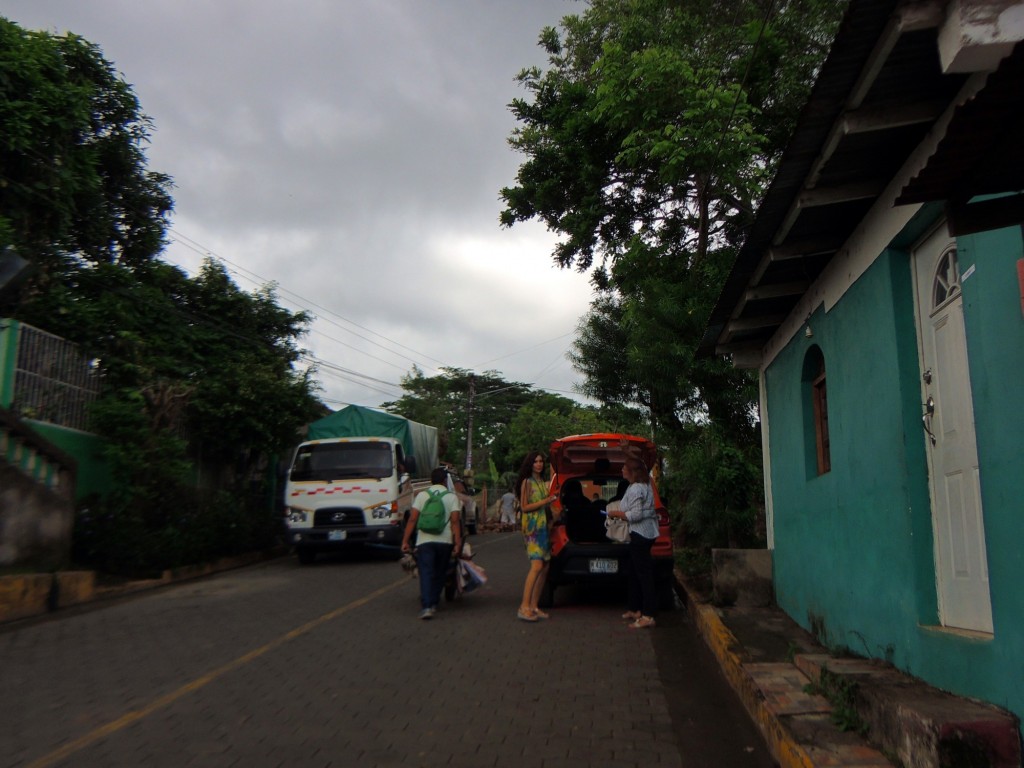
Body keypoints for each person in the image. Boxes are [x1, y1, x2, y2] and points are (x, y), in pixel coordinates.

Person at [401, 467, 463, 620]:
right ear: (444, 481)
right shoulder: (451, 497)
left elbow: (413, 519)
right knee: (440, 572)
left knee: (427, 572)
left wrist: (405, 541)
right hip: (445, 541)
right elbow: (455, 522)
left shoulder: (422, 496)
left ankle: (427, 606)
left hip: (425, 541)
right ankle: (434, 601)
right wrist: (457, 543)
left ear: (431, 481)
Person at [605, 456, 659, 628]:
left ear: (632, 471)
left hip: (640, 534)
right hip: (648, 532)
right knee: (634, 572)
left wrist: (614, 514)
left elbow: (635, 515)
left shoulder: (636, 489)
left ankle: (648, 615)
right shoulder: (645, 485)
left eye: (624, 467)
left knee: (643, 575)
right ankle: (635, 608)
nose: (621, 469)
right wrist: (625, 450)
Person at [516, 451, 558, 622]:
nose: (539, 464)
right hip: (532, 528)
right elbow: (524, 507)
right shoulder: (527, 482)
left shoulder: (542, 483)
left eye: (541, 461)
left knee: (545, 566)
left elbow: (548, 506)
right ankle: (523, 606)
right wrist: (545, 502)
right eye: (536, 461)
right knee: (536, 565)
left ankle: (534, 605)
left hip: (543, 527)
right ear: (530, 464)